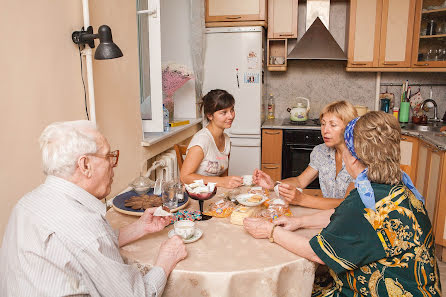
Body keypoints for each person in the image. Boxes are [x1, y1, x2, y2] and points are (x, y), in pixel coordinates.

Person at [244, 111, 441, 296]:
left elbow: (317, 253)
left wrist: (270, 231)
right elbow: (343, 214)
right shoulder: (395, 188)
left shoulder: (364, 202)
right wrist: (300, 221)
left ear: (354, 159)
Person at [0, 120, 187, 297]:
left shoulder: (26, 203)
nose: (114, 165)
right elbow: (137, 294)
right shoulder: (84, 224)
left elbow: (82, 248)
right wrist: (166, 260)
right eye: (108, 156)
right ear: (85, 165)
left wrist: (140, 228)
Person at [254, 100, 358, 209]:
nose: (325, 130)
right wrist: (274, 185)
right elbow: (300, 181)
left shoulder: (360, 159)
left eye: (333, 125)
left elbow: (348, 204)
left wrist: (301, 199)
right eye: (323, 124)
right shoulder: (321, 151)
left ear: (349, 128)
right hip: (327, 215)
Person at [180, 89, 243, 188]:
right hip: (197, 196)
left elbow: (223, 175)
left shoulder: (226, 139)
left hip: (215, 194)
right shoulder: (202, 140)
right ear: (210, 115)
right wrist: (221, 181)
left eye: (232, 110)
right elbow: (185, 177)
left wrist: (226, 184)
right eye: (224, 112)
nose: (230, 116)